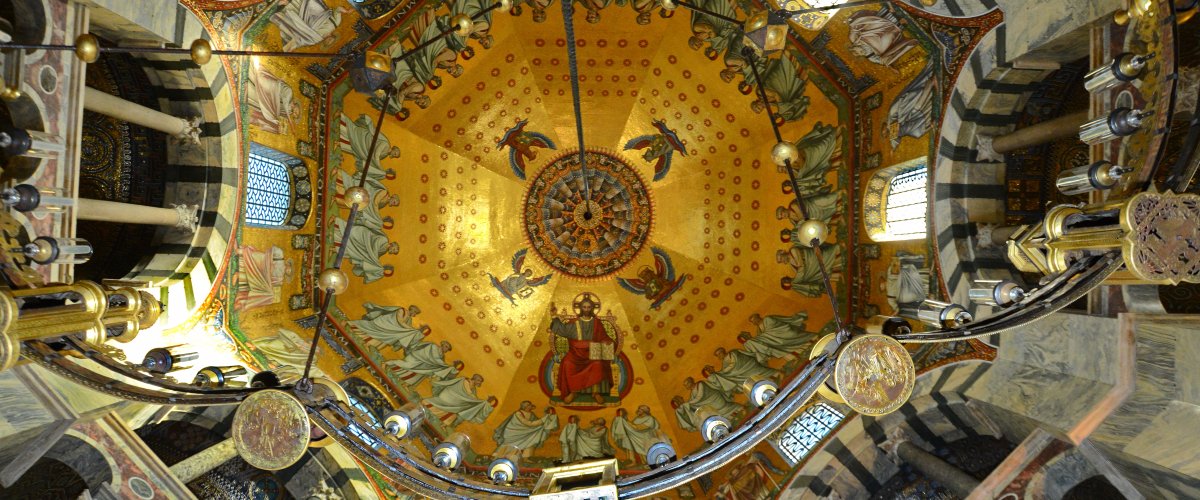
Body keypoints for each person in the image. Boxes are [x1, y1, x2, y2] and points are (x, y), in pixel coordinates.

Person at [548, 294, 617, 404]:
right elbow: (562, 330)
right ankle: (573, 392)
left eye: (589, 307)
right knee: (567, 363)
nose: (586, 309)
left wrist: (607, 342)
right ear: (580, 308)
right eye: (584, 307)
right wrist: (554, 316)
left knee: (598, 364)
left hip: (592, 353)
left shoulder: (597, 323)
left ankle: (596, 392)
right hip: (575, 353)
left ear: (592, 308)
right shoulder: (574, 322)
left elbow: (603, 337)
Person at [885, 63, 936, 150]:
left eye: (884, 131)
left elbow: (897, 105)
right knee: (916, 133)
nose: (885, 133)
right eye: (885, 134)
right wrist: (893, 148)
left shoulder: (891, 115)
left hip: (907, 104)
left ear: (885, 125)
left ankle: (931, 83)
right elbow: (895, 136)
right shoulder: (895, 130)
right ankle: (931, 122)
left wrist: (903, 115)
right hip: (910, 116)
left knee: (917, 107)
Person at [847, 8, 917, 67]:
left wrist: (854, 24)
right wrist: (889, 65)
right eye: (858, 54)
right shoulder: (871, 57)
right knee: (890, 35)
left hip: (873, 31)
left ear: (853, 47)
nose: (859, 53)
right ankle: (901, 23)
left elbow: (854, 29)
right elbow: (882, 61)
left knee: (877, 25)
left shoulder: (853, 39)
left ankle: (891, 12)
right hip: (883, 43)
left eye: (856, 51)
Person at [351, 303, 430, 354]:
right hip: (385, 323)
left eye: (416, 313)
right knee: (371, 328)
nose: (415, 315)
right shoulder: (402, 310)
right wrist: (413, 330)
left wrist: (419, 330)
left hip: (392, 328)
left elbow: (408, 330)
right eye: (415, 313)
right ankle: (352, 325)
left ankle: (368, 345)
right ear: (412, 310)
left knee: (391, 338)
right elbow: (400, 322)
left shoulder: (409, 319)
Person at [272, 0, 350, 51]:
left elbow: (300, 40)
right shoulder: (335, 23)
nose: (329, 41)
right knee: (316, 7)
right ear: (334, 37)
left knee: (299, 26)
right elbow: (338, 10)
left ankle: (282, 5)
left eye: (328, 43)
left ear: (324, 43)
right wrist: (346, 11)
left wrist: (289, 48)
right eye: (331, 41)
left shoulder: (315, 39)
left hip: (303, 21)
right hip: (317, 13)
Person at [425, 374, 497, 427]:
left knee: (455, 415)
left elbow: (473, 399)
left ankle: (442, 425)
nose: (480, 383)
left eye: (481, 382)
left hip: (456, 401)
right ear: (475, 379)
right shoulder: (465, 381)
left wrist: (484, 403)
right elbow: (469, 396)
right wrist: (481, 402)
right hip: (449, 396)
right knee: (455, 410)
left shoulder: (473, 389)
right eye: (479, 381)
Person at [234, 244, 292, 311]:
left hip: (263, 276)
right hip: (263, 261)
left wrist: (269, 279)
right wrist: (270, 262)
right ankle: (238, 251)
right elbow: (273, 250)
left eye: (288, 271)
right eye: (289, 268)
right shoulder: (280, 255)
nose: (287, 270)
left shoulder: (280, 278)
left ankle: (243, 302)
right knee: (257, 257)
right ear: (288, 264)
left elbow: (274, 283)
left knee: (269, 295)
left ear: (287, 274)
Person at [246, 65, 298, 134]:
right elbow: (285, 103)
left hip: (271, 98)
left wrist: (279, 123)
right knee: (260, 81)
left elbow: (280, 113)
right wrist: (291, 123)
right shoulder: (289, 92)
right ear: (296, 105)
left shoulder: (288, 110)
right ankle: (249, 70)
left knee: (259, 100)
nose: (295, 113)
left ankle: (247, 88)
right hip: (273, 87)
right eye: (297, 112)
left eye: (295, 115)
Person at [493, 401, 559, 455]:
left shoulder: (531, 414)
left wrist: (547, 417)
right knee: (507, 445)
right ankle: (495, 455)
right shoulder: (518, 413)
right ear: (525, 406)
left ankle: (526, 458)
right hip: (513, 433)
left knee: (531, 441)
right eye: (529, 405)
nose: (531, 406)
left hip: (525, 432)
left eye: (530, 405)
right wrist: (544, 419)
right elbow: (528, 423)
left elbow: (537, 423)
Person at [384, 341, 457, 387]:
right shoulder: (433, 347)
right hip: (416, 358)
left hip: (423, 364)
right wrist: (447, 366)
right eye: (446, 347)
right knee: (406, 365)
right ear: (442, 344)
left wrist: (448, 368)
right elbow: (435, 359)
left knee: (421, 374)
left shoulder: (442, 356)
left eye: (448, 348)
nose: (446, 349)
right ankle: (386, 363)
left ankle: (406, 384)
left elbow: (438, 365)